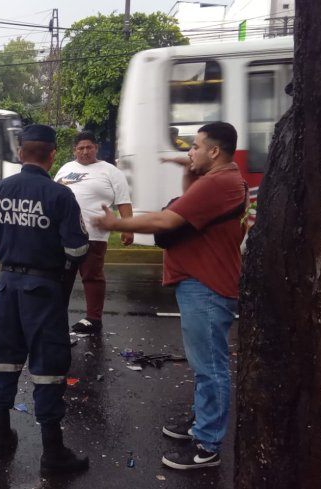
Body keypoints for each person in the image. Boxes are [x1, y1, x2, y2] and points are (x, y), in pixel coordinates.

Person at [93, 122, 247, 470]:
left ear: (215, 151)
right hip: (201, 283)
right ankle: (200, 425)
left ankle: (207, 446)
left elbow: (168, 220)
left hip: (206, 286)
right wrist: (188, 173)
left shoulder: (219, 183)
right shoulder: (216, 181)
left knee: (211, 368)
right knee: (203, 364)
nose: (190, 151)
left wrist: (114, 224)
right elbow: (190, 209)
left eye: (196, 146)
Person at [0, 124, 91, 476]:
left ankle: (1, 436)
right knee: (48, 369)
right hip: (42, 292)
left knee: (5, 363)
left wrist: (15, 251)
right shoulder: (59, 196)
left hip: (6, 289)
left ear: (21, 153)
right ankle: (53, 454)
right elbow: (77, 248)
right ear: (53, 154)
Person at [53, 131, 133, 334]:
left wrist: (128, 227)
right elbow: (51, 197)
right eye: (80, 148)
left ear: (96, 148)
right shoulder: (65, 169)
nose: (85, 151)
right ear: (74, 151)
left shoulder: (110, 171)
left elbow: (123, 201)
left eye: (89, 147)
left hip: (94, 235)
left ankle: (93, 319)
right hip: (63, 235)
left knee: (92, 276)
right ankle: (55, 316)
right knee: (60, 278)